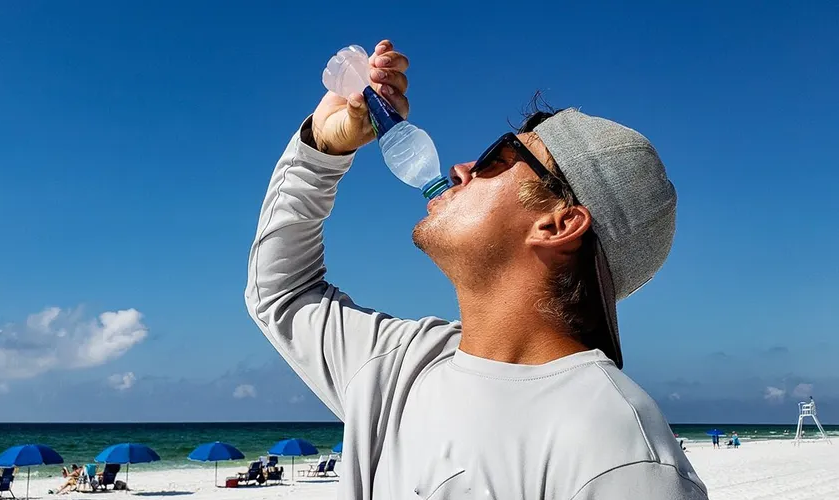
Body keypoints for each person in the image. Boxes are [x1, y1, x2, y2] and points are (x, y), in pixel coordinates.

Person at [244, 39, 708, 499]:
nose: (462, 168)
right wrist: (321, 151)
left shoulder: (620, 454)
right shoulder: (402, 365)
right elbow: (282, 294)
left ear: (558, 224)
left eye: (498, 158)